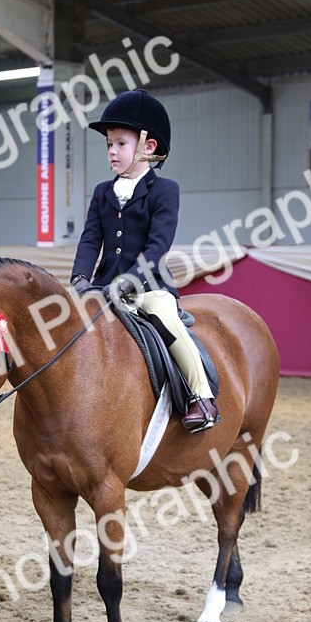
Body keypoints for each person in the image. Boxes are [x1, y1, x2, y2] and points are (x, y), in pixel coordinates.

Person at [70, 89, 219, 432]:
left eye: (120, 144)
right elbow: (91, 238)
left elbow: (158, 246)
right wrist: (80, 277)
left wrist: (129, 281)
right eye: (109, 144)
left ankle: (201, 397)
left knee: (167, 322)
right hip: (104, 286)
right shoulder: (102, 193)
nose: (111, 151)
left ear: (147, 147)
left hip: (148, 286)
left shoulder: (165, 190)